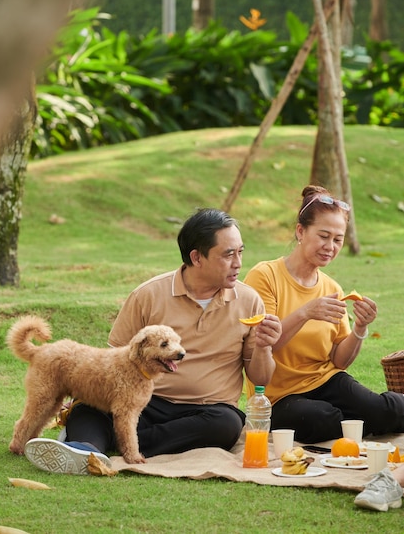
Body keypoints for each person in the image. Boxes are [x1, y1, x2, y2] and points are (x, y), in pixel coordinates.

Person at [24, 207, 282, 474]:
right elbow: (112, 363)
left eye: (240, 252)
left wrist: (264, 346)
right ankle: (89, 445)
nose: (238, 262)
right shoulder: (147, 295)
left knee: (226, 425)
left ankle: (101, 444)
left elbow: (260, 379)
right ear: (196, 257)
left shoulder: (250, 301)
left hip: (205, 411)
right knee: (90, 407)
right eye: (228, 254)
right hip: (141, 400)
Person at [243, 184, 404, 444]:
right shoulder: (265, 276)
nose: (330, 246)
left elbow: (339, 361)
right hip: (281, 395)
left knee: (387, 412)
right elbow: (264, 343)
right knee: (323, 419)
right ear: (300, 231)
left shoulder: (331, 287)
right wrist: (306, 312)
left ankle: (367, 418)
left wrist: (360, 328)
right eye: (323, 236)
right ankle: (354, 423)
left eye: (338, 239)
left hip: (327, 380)